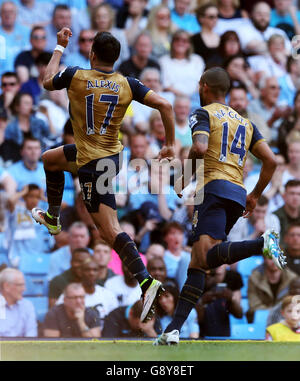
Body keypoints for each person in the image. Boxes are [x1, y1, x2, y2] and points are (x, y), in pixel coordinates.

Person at [32, 28, 176, 323]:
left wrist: (59, 47)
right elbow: (166, 105)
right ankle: (54, 218)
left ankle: (147, 283)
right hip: (110, 156)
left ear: (92, 54)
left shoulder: (75, 75)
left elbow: (47, 81)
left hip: (91, 162)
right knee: (50, 159)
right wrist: (171, 143)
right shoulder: (127, 83)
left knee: (109, 231)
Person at [154, 66, 286, 346]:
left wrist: (182, 180)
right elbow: (272, 161)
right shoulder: (246, 122)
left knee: (206, 256)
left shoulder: (202, 113)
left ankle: (260, 244)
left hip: (212, 189)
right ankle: (174, 329)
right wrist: (254, 195)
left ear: (203, 86)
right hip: (237, 193)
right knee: (199, 263)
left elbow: (200, 148)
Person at [196, 264, 243, 337]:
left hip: (223, 324)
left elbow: (239, 314)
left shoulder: (233, 277)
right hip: (203, 327)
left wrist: (231, 299)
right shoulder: (201, 278)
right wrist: (203, 301)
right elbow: (195, 318)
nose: (218, 264)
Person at [247, 257, 297, 322]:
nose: (274, 261)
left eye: (277, 257)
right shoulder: (254, 277)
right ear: (264, 259)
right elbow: (254, 305)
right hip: (262, 318)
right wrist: (274, 313)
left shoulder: (292, 278)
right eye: (270, 258)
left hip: (285, 317)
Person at [0, 268, 37, 337]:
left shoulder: (27, 306)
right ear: (6, 286)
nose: (24, 289)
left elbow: (31, 337)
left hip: (23, 347)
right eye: (20, 285)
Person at [0, 1, 31, 77]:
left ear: (16, 14)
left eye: (11, 12)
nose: (8, 15)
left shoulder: (26, 31)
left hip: (24, 73)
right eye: (4, 12)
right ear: (0, 14)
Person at [273, 180, 300, 246]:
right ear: (284, 196)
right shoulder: (274, 217)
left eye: (299, 194)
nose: (295, 197)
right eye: (292, 193)